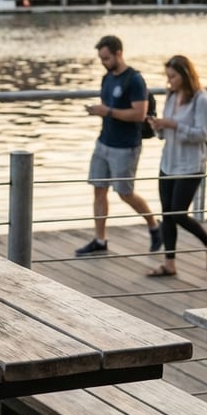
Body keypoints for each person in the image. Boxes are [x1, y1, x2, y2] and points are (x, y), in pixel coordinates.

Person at [75, 35, 162, 257]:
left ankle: (154, 225)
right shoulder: (107, 78)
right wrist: (98, 110)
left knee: (125, 193)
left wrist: (109, 112)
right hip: (104, 141)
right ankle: (100, 239)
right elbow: (107, 106)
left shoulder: (134, 80)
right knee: (98, 189)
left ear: (118, 54)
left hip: (125, 146)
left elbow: (140, 114)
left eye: (106, 58)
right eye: (101, 59)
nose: (103, 62)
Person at [144, 55, 207, 277]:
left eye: (173, 76)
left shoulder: (201, 99)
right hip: (168, 162)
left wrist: (174, 125)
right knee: (167, 214)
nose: (170, 81)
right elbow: (164, 134)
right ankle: (169, 263)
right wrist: (158, 126)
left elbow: (203, 134)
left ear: (185, 75)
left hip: (190, 165)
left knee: (178, 213)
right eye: (168, 77)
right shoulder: (171, 95)